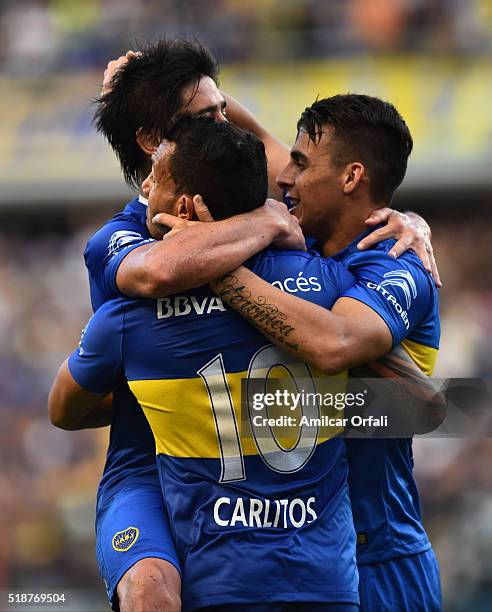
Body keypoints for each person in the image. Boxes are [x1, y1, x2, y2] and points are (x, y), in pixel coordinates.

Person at [76, 38, 438, 611]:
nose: (283, 174)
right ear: (154, 143)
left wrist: (276, 406)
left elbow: (425, 408)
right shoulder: (130, 237)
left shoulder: (357, 248)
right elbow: (161, 271)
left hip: (366, 538)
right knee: (151, 593)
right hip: (181, 502)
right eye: (206, 119)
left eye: (224, 113)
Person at [50, 115, 363, 611]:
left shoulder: (129, 317)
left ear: (182, 208)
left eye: (155, 176)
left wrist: (154, 396)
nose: (143, 187)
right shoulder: (332, 282)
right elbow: (429, 403)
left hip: (215, 571)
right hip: (326, 577)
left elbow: (63, 410)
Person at [209, 95, 442, 611]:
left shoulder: (399, 264)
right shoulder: (307, 242)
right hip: (288, 553)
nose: (284, 178)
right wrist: (192, 91)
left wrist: (219, 272)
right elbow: (249, 136)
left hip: (377, 561)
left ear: (352, 176)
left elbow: (334, 344)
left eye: (301, 163)